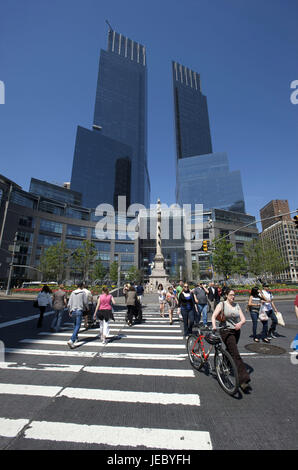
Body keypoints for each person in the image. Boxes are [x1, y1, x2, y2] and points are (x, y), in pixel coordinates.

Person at [211, 288, 251, 392]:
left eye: (234, 295)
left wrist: (240, 323)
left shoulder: (237, 305)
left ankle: (220, 366)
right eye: (231, 295)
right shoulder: (222, 304)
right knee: (236, 354)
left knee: (230, 350)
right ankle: (243, 380)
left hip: (236, 331)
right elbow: (214, 316)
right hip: (226, 331)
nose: (233, 297)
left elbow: (243, 319)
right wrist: (214, 326)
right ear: (226, 295)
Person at [67, 283, 88, 349]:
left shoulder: (72, 292)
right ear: (82, 286)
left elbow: (69, 303)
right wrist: (87, 308)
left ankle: (75, 338)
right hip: (79, 310)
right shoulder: (83, 293)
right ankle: (72, 340)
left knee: (75, 325)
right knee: (78, 326)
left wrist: (69, 311)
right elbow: (85, 302)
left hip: (73, 310)